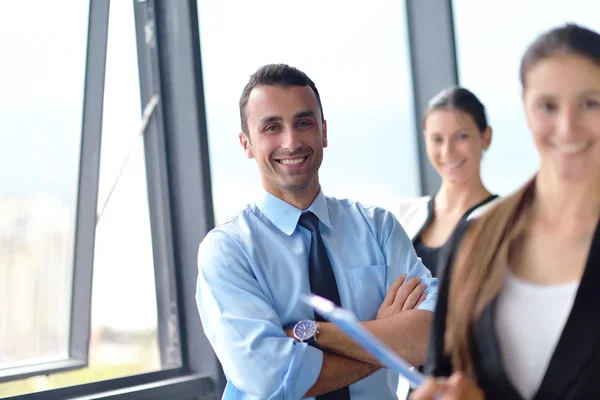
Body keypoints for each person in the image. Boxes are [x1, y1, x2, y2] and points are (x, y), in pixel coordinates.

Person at [196, 63, 439, 400]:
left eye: (303, 122)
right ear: (246, 143)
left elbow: (433, 333)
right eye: (271, 127)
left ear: (323, 132)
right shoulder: (227, 251)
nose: (291, 141)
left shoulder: (379, 228)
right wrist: (384, 340)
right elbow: (270, 378)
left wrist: (310, 333)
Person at [410, 23, 600, 400]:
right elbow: (441, 375)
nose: (567, 127)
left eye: (590, 103)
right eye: (548, 106)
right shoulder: (473, 240)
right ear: (526, 109)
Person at [397, 86, 500, 277]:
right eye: (437, 139)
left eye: (461, 136)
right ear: (425, 139)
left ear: (486, 137)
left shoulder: (504, 220)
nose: (447, 152)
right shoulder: (404, 216)